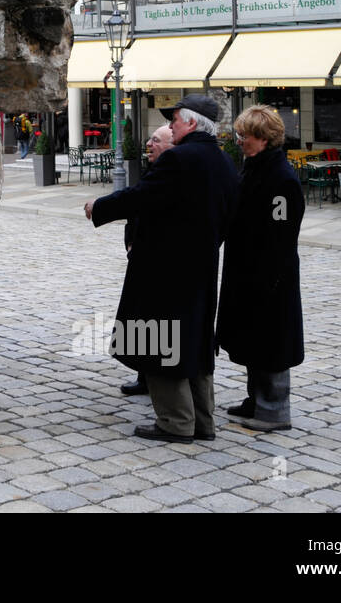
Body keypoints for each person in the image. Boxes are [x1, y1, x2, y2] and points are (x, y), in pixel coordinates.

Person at [84, 95, 240, 444]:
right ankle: (203, 422)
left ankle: (175, 421)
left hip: (165, 270)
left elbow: (141, 196)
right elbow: (231, 217)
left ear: (192, 124)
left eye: (174, 121)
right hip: (201, 267)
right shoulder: (225, 162)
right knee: (196, 344)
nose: (170, 127)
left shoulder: (179, 159)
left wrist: (100, 207)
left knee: (160, 340)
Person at [216, 105, 305, 433]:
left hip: (270, 280)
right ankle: (256, 400)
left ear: (264, 138)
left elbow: (280, 235)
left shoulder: (280, 179)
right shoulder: (254, 168)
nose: (238, 140)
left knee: (271, 345)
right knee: (254, 342)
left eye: (245, 135)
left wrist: (266, 280)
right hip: (249, 273)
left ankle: (274, 409)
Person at [117, 123, 175, 398]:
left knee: (155, 319)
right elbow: (134, 208)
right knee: (139, 317)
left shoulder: (173, 174)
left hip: (162, 261)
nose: (148, 145)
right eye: (149, 140)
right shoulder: (150, 171)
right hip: (140, 255)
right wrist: (130, 239)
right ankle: (143, 374)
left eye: (155, 141)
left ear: (171, 146)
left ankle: (156, 378)